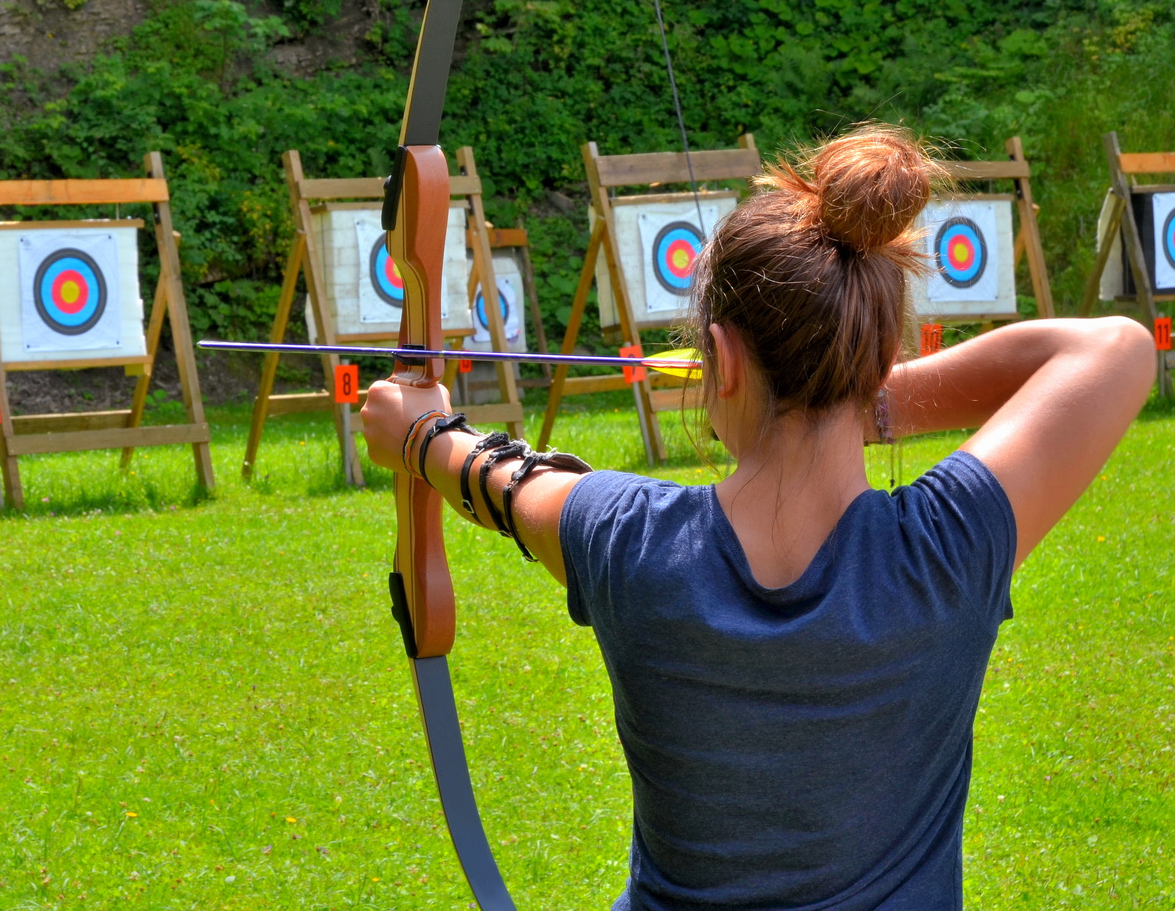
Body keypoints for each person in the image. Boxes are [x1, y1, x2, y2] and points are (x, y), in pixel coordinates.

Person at [359, 125, 1154, 910]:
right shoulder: (945, 550)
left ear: (723, 359)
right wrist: (854, 394)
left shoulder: (627, 539)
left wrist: (421, 433)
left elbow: (493, 479)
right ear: (875, 359)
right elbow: (1113, 350)